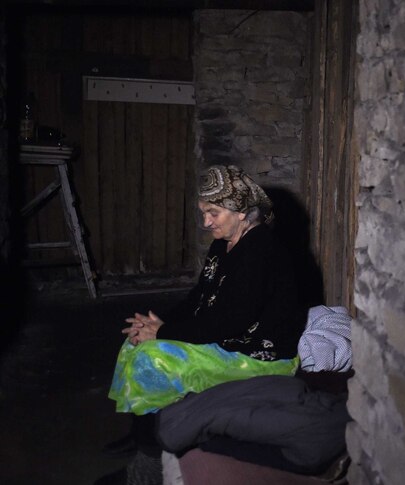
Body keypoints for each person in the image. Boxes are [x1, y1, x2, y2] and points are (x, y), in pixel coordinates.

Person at [96, 164, 304, 485]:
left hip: (258, 356)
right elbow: (199, 296)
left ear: (243, 212)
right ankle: (141, 433)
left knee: (152, 360)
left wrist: (164, 333)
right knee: (136, 340)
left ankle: (146, 470)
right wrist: (159, 322)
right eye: (203, 211)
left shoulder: (262, 251)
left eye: (214, 213)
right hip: (226, 338)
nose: (206, 222)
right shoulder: (224, 243)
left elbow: (229, 323)